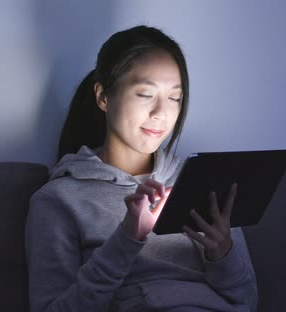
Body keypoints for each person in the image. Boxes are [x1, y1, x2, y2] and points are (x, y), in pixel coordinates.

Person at [25, 25, 258, 312]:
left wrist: (222, 254)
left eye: (174, 98)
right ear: (103, 97)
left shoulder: (201, 181)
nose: (161, 113)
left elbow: (246, 301)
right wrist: (127, 238)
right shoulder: (58, 200)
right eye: (145, 94)